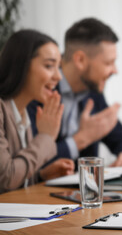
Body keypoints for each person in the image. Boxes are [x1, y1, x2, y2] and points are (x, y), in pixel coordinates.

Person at [27, 18, 122, 168]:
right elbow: (30, 161)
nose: (115, 70)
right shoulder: (39, 91)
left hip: (86, 190)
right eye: (108, 63)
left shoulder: (93, 94)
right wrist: (81, 139)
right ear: (80, 60)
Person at [0, 30, 75, 194]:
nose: (58, 76)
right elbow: (6, 178)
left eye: (59, 67)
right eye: (49, 66)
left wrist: (41, 176)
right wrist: (46, 137)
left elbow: (13, 182)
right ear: (21, 65)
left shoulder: (22, 112)